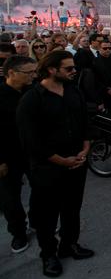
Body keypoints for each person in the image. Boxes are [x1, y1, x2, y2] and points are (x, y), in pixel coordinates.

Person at [17, 51, 94, 277]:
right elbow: (31, 141)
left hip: (77, 163)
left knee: (72, 209)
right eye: (68, 68)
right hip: (48, 168)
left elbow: (84, 122)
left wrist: (86, 147)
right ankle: (48, 254)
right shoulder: (32, 99)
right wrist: (60, 160)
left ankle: (69, 244)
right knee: (47, 214)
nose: (74, 71)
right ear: (52, 70)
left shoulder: (73, 91)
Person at [0, 56, 37, 254]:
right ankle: (18, 232)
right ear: (12, 73)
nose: (33, 76)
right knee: (10, 198)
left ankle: (36, 221)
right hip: (8, 156)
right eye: (29, 73)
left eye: (34, 71)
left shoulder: (32, 91)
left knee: (40, 189)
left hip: (32, 152)